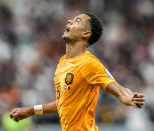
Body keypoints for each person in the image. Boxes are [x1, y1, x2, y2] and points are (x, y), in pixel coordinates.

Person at [9, 13, 145, 131]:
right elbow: (64, 103)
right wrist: (31, 110)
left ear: (86, 34)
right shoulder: (62, 63)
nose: (69, 21)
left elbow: (115, 86)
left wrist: (127, 97)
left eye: (77, 21)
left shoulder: (89, 63)